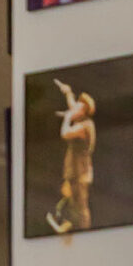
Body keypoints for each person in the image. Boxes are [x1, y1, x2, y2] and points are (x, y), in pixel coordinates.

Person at [49, 82, 97, 236]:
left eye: (77, 107)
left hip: (79, 172)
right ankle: (71, 226)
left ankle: (83, 231)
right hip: (74, 170)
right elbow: (72, 105)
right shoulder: (82, 119)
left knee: (80, 205)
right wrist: (68, 92)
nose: (73, 108)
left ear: (83, 111)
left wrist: (67, 118)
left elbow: (65, 133)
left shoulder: (84, 127)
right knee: (71, 200)